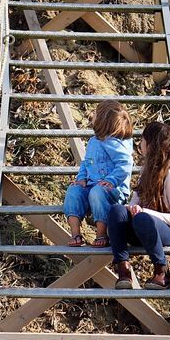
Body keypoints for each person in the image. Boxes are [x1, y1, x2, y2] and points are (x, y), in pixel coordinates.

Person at [107, 120, 170, 289]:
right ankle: (123, 268)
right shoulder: (146, 170)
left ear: (150, 145)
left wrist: (146, 212)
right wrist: (131, 208)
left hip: (166, 231)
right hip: (141, 225)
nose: (140, 143)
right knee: (117, 210)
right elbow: (135, 201)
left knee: (143, 218)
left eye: (143, 140)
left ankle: (162, 272)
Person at [62, 99, 134, 248]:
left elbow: (125, 163)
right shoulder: (93, 141)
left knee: (97, 192)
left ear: (103, 121)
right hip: (92, 185)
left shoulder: (114, 142)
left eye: (96, 113)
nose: (92, 115)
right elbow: (86, 162)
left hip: (113, 190)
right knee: (73, 191)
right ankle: (75, 233)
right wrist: (81, 179)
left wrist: (112, 180)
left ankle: (102, 233)